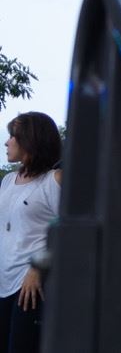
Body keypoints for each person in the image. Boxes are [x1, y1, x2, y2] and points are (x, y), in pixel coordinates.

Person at [0, 112, 61, 352]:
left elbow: (69, 235)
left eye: (12, 136)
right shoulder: (7, 180)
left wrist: (38, 268)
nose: (7, 142)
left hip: (31, 287)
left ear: (30, 139)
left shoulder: (54, 181)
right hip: (4, 280)